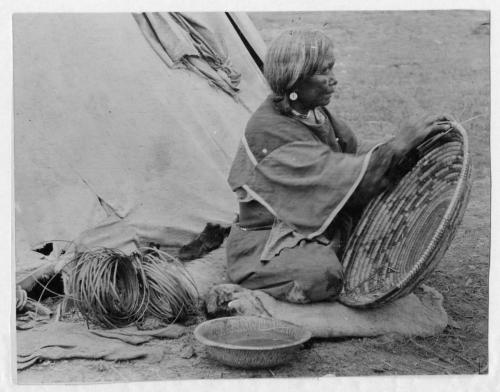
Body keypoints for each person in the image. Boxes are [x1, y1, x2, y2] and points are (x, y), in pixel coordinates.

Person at [226, 29, 452, 304]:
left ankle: (330, 248)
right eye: (324, 71)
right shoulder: (270, 130)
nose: (333, 80)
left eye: (332, 68)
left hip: (315, 220)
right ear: (296, 78)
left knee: (390, 226)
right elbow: (334, 174)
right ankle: (262, 282)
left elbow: (351, 156)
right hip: (267, 237)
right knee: (321, 276)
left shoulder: (313, 113)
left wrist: (405, 147)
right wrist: (395, 147)